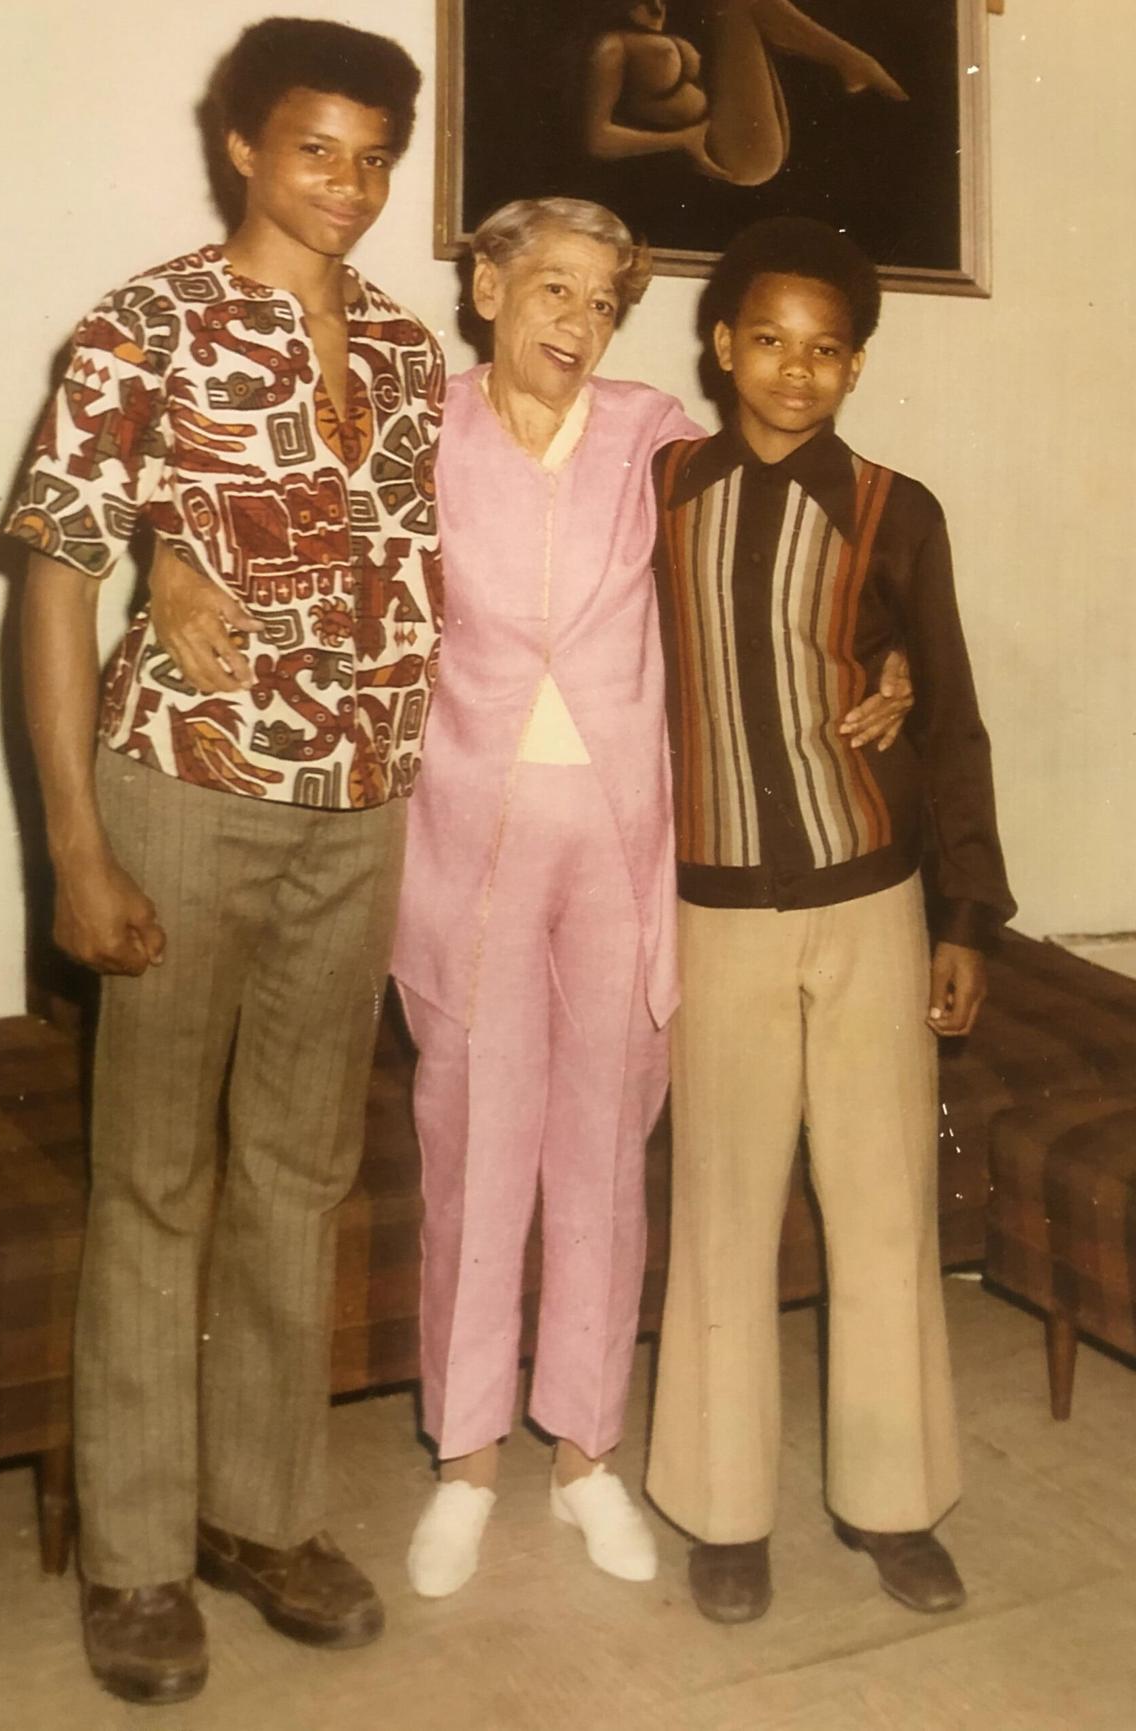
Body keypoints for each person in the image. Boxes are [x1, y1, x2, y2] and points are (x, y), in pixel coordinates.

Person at [148, 195, 913, 1606]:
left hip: (629, 846)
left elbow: (794, 542)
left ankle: (585, 1453)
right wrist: (169, 552)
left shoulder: (656, 443)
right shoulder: (414, 423)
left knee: (606, 1148)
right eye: (551, 289)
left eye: (603, 301)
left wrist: (886, 657)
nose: (577, 321)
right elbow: (269, 506)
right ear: (489, 289)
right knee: (474, 1139)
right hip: (468, 842)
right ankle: (468, 1459)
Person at [8, 17, 442, 1705]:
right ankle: (131, 1555)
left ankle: (261, 1517)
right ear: (244, 147)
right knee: (153, 1180)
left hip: (363, 805)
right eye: (316, 148)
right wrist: (72, 845)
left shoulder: (406, 353)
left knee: (298, 1171)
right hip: (177, 796)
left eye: (374, 157)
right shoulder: (143, 327)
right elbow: (54, 584)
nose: (347, 185)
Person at [645, 216, 1015, 1625]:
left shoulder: (895, 508)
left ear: (856, 363)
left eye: (827, 350)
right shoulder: (660, 484)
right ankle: (725, 1511)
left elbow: (957, 712)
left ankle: (892, 1501)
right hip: (713, 906)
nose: (795, 373)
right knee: (724, 1209)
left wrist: (967, 913)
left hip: (872, 896)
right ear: (722, 343)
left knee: (881, 1207)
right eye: (769, 342)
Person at [584, 0, 907, 185]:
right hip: (726, 151)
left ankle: (853, 62)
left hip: (736, 135)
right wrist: (682, 141)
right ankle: (854, 62)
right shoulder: (611, 46)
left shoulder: (655, 19)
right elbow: (598, 138)